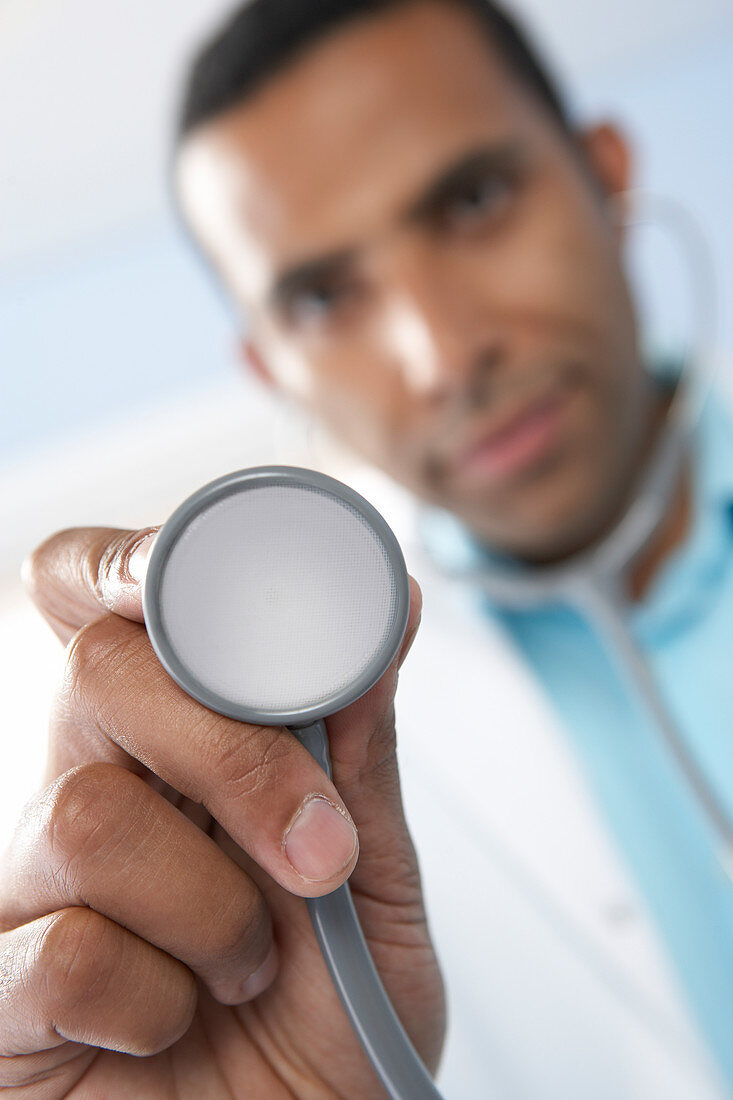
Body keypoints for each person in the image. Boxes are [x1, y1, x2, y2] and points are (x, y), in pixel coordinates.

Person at [1, 0, 731, 1096]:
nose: (441, 353)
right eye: (323, 296)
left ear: (606, 173)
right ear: (269, 367)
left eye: (474, 200)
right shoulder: (258, 780)